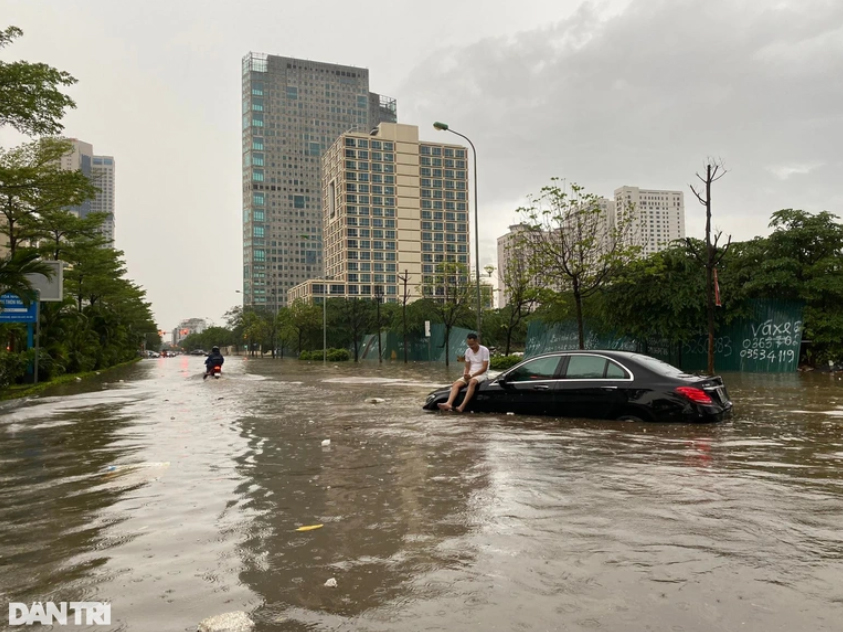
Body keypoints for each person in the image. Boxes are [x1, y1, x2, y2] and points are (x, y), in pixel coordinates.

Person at [438, 333, 490, 413]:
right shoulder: (468, 351)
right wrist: (465, 374)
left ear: (477, 341)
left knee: (472, 382)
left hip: (481, 374)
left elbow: (484, 368)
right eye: (469, 345)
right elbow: (467, 366)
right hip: (470, 373)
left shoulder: (484, 350)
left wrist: (471, 375)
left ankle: (462, 406)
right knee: (456, 384)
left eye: (472, 344)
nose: (471, 347)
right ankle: (449, 403)